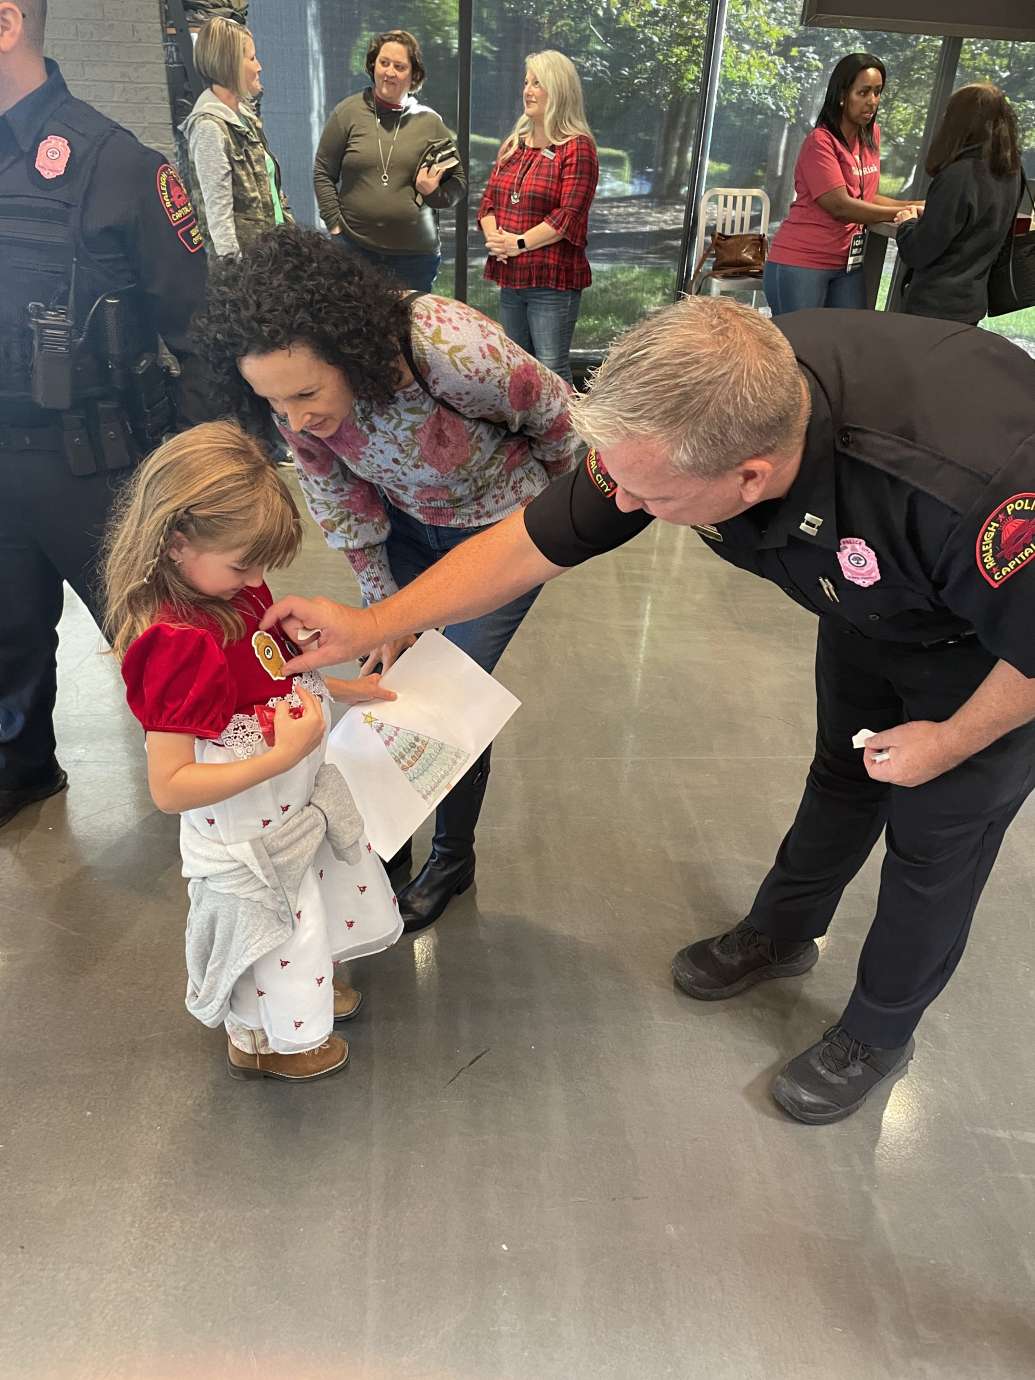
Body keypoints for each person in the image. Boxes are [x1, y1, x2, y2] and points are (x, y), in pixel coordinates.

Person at [257, 296, 1035, 1126]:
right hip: (868, 604)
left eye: (651, 497)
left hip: (993, 652)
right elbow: (529, 541)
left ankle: (879, 1032)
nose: (621, 505)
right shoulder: (682, 416)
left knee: (934, 836)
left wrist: (950, 741)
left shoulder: (973, 488)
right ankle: (782, 931)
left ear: (751, 478)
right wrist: (379, 620)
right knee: (842, 773)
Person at [191, 225, 579, 932]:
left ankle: (451, 857)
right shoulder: (291, 403)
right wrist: (380, 610)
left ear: (350, 349)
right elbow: (339, 498)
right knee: (388, 680)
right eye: (275, 405)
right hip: (402, 530)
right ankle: (387, 839)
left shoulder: (440, 346)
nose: (297, 419)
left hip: (500, 530)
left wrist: (552, 526)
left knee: (444, 693)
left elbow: (556, 420)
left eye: (307, 392)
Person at [105, 421, 403, 1082]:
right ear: (176, 542)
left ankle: (302, 997)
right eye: (244, 563)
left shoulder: (231, 589)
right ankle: (264, 1037)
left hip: (285, 801)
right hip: (245, 816)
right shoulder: (177, 643)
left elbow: (273, 671)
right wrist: (278, 755)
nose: (257, 578)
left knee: (304, 904)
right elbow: (170, 786)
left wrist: (341, 690)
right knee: (265, 923)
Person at [0, 0, 211, 831]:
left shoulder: (119, 166)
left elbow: (204, 340)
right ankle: (20, 767)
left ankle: (221, 785)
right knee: (5, 635)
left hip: (98, 472)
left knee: (170, 648)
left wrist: (193, 494)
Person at [313, 28, 466, 293]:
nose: (390, 72)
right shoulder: (347, 113)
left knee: (407, 334)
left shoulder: (430, 123)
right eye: (384, 63)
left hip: (415, 260)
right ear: (373, 66)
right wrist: (334, 224)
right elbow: (323, 172)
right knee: (355, 331)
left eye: (399, 66)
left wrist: (435, 195)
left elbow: (459, 184)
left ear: (414, 75)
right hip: (354, 252)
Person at [477, 50, 598, 384]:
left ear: (558, 90)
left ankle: (571, 437)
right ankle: (530, 435)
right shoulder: (514, 144)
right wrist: (497, 241)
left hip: (552, 281)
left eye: (537, 83)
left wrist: (516, 242)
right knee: (518, 366)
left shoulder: (577, 147)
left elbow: (568, 216)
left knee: (550, 369)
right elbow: (488, 203)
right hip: (511, 275)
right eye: (526, 82)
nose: (527, 90)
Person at [764, 53, 917, 315]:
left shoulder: (871, 136)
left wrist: (915, 205)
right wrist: (901, 213)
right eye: (864, 92)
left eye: (878, 92)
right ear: (842, 94)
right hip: (802, 260)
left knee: (849, 341)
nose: (872, 102)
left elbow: (865, 198)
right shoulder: (820, 142)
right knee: (801, 349)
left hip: (847, 264)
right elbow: (841, 206)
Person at [893, 84, 1024, 325]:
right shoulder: (1011, 173)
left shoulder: (959, 175)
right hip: (970, 306)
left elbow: (918, 250)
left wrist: (907, 224)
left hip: (932, 308)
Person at [180, 17, 292, 257]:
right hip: (250, 272)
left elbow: (271, 192)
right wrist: (236, 276)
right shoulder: (209, 127)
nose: (259, 66)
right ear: (230, 65)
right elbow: (219, 218)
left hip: (274, 259)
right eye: (251, 58)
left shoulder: (245, 116)